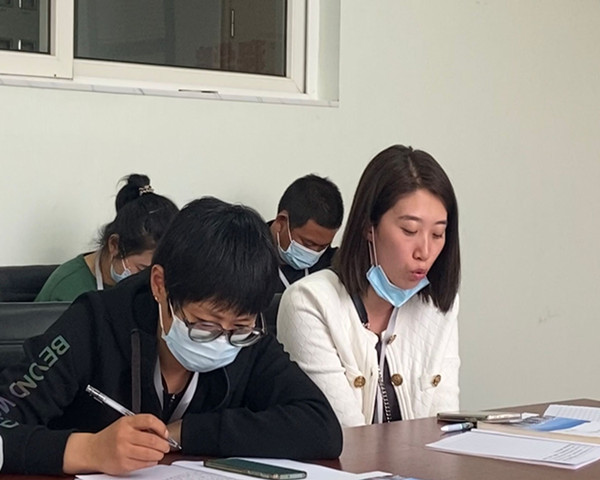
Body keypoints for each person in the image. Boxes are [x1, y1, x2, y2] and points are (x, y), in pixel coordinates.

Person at [0, 197, 342, 475]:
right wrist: (89, 449)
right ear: (159, 285)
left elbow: (321, 427)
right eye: (204, 324)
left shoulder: (248, 338)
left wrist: (186, 433)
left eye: (239, 328)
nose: (222, 340)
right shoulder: (95, 323)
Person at [277, 145, 461, 427]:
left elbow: (443, 426)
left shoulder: (437, 304)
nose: (424, 251)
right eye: (410, 230)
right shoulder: (309, 302)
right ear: (368, 227)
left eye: (437, 234)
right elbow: (347, 435)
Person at [35, 174, 178, 302]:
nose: (153, 281)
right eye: (143, 270)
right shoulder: (66, 289)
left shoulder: (160, 288)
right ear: (115, 245)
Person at [268, 174, 344, 293]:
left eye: (323, 247)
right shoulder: (245, 259)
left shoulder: (333, 266)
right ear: (281, 222)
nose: (314, 253)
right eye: (308, 244)